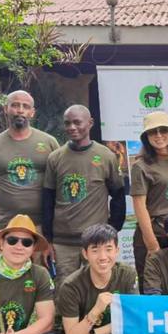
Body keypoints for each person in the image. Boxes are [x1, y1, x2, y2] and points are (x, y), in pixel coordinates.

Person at [42, 105, 126, 287]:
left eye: (77, 122)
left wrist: (113, 229)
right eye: (68, 123)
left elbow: (118, 195)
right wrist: (48, 240)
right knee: (65, 292)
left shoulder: (106, 156)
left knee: (98, 290)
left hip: (96, 242)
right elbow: (47, 201)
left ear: (90, 123)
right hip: (63, 243)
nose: (72, 127)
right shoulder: (55, 158)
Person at [57, 224, 138, 334]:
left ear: (117, 250)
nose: (103, 257)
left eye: (108, 249)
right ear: (85, 253)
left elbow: (131, 320)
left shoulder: (127, 275)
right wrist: (95, 310)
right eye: (95, 250)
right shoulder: (71, 286)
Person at [0, 90, 59, 230]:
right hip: (7, 225)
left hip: (42, 225)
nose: (20, 111)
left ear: (32, 112)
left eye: (26, 106)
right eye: (15, 105)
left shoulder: (49, 142)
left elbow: (58, 181)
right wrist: (9, 204)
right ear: (6, 109)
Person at [129, 111, 168, 281]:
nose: (159, 135)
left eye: (164, 130)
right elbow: (140, 207)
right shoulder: (141, 166)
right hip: (152, 235)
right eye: (153, 132)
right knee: (152, 288)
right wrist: (152, 244)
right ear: (146, 136)